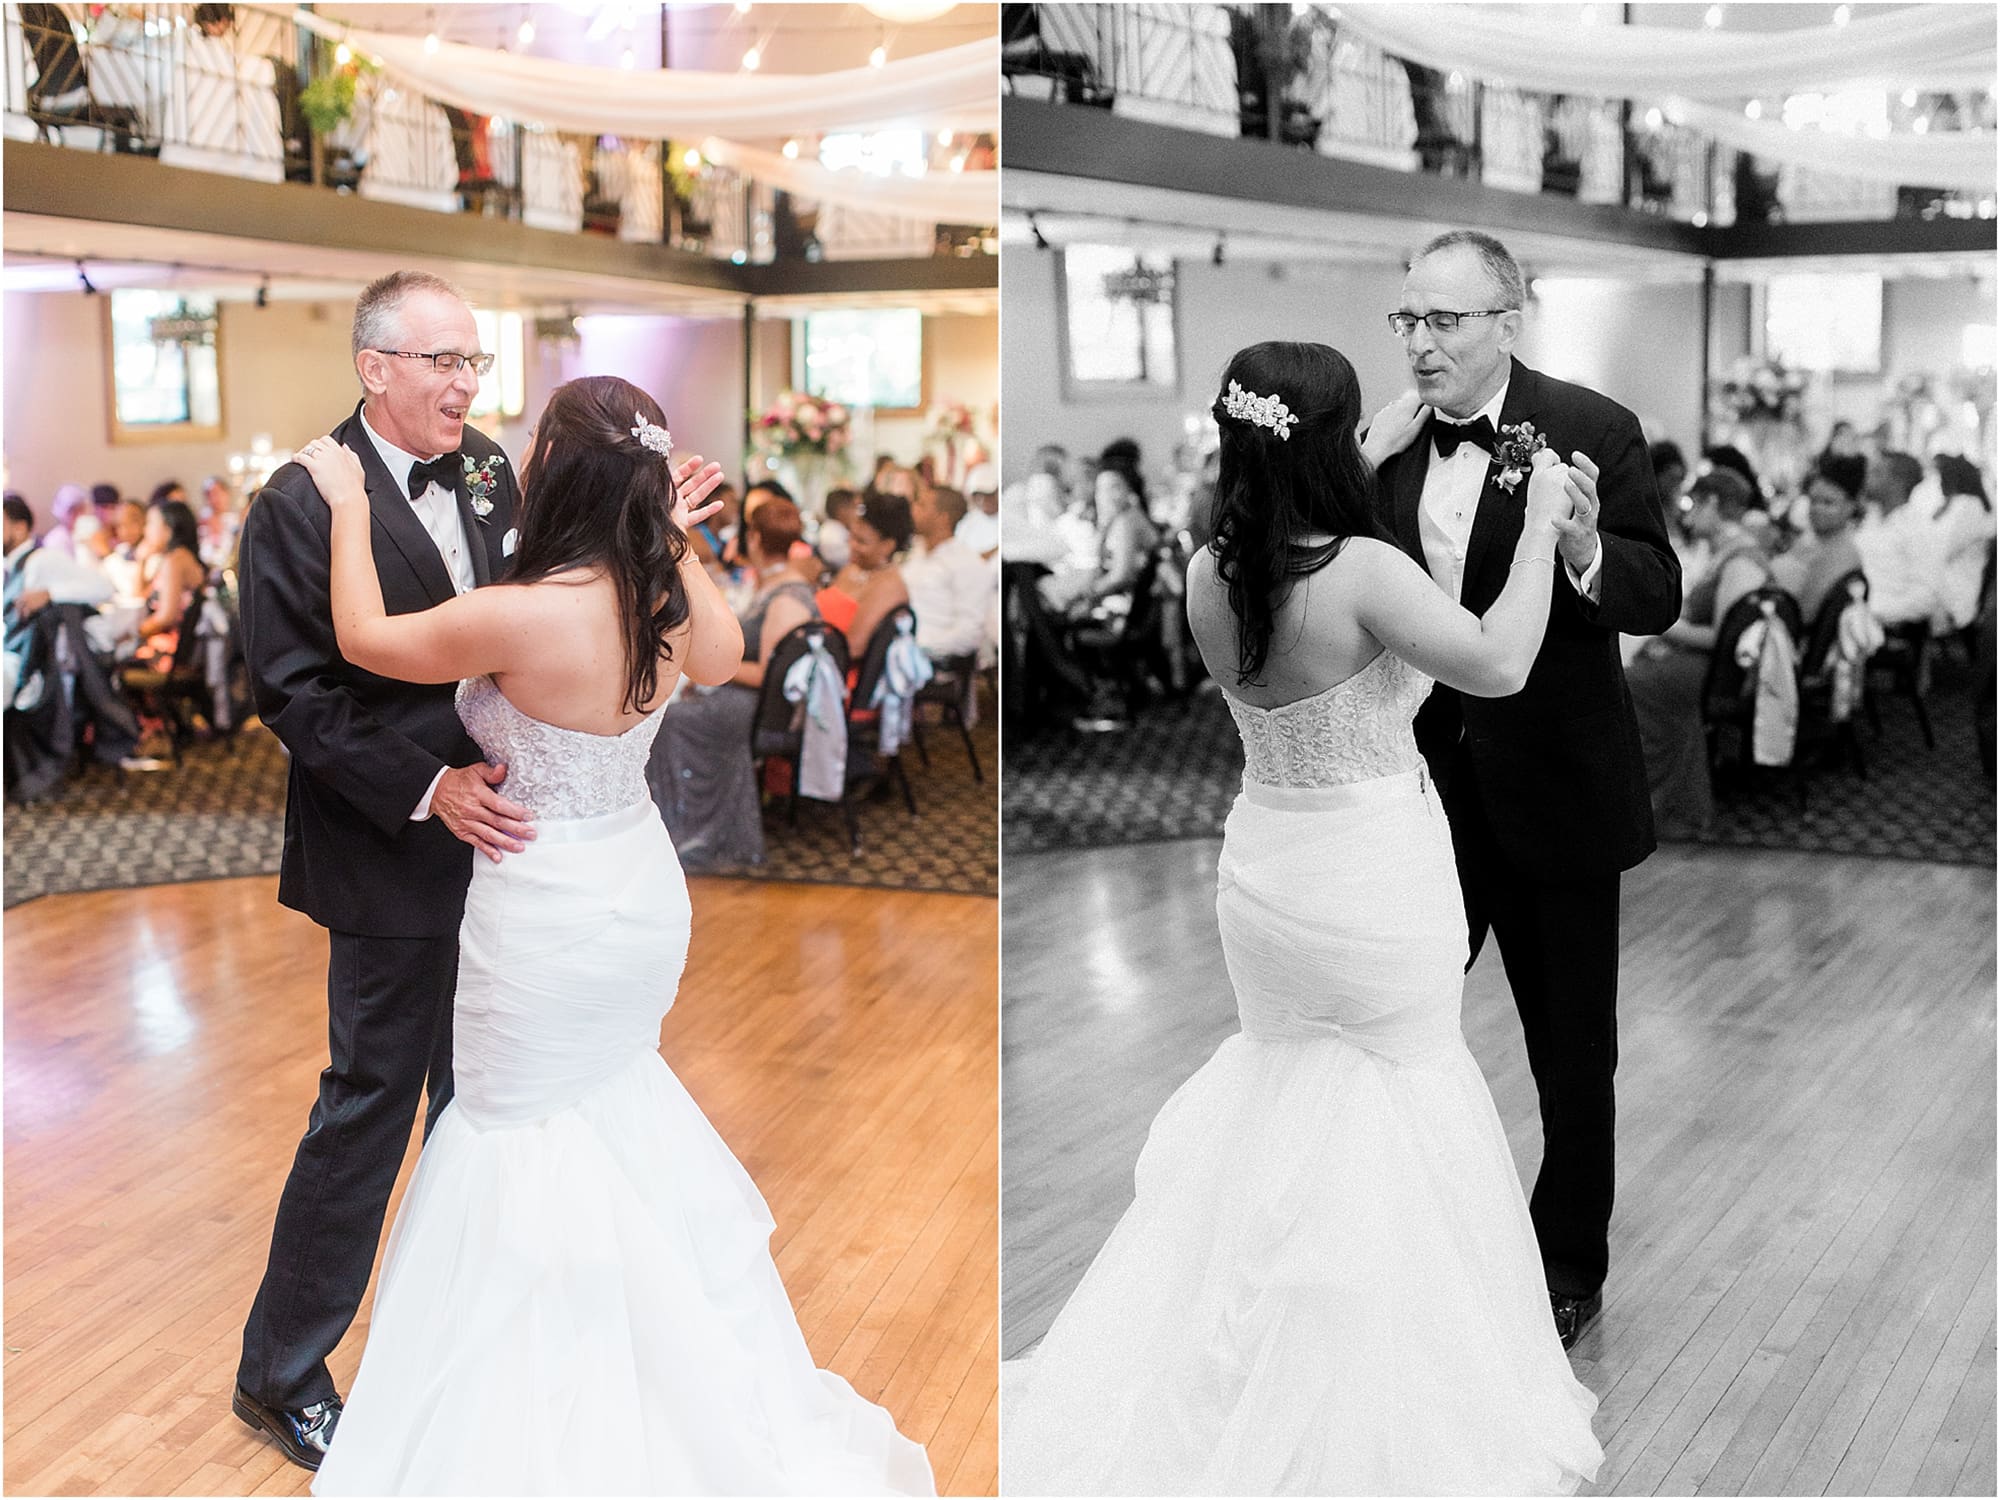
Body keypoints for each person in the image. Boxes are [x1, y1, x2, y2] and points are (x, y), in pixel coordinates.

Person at [293, 375, 933, 1495]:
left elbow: (360, 637)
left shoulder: (525, 611)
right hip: (636, 889)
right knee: (608, 1108)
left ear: (556, 471)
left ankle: (547, 1413)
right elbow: (728, 659)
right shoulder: (665, 601)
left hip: (540, 900)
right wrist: (671, 536)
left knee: (514, 1126)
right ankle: (648, 1369)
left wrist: (348, 502)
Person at [1003, 341, 1603, 1494]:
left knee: (1281, 1084)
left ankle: (1243, 1352)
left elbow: (1315, 482)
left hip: (1267, 869)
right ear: (1331, 443)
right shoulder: (1365, 569)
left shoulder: (1202, 570)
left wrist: (1369, 426)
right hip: (1373, 868)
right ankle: (1382, 1387)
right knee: (1403, 1090)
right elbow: (1499, 661)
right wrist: (1532, 535)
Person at [231, 270, 530, 1473]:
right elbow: (293, 695)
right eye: (443, 362)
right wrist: (429, 786)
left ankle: (454, 1344)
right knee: (368, 1110)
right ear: (375, 368)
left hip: (511, 843)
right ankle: (281, 1371)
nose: (465, 385)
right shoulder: (300, 501)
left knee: (483, 1105)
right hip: (389, 848)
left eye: (475, 363)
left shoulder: (492, 468)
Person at [1371, 230, 1680, 1350]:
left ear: (1507, 321)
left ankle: (1565, 1265)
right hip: (1416, 796)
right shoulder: (1388, 445)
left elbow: (1654, 593)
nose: (1418, 343)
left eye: (1442, 321)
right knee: (1392, 1022)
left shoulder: (1592, 428)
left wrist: (1592, 545)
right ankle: (1395, 1236)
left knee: (1569, 1056)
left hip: (1556, 788)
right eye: (1406, 318)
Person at [647, 493, 821, 870]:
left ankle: (695, 831)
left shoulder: (788, 596)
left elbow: (768, 675)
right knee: (668, 711)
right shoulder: (771, 584)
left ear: (754, 539)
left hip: (763, 707)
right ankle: (675, 824)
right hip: (741, 694)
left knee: (673, 720)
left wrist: (707, 669)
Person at [1625, 468, 1771, 836]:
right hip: (1697, 660)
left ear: (1713, 504)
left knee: (1629, 683)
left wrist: (1664, 625)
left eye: (1693, 504)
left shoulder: (1741, 558)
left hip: (1715, 669)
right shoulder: (1725, 551)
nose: (1687, 515)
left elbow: (1725, 637)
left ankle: (1667, 807)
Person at [1771, 454, 1866, 623]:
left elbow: (1806, 615)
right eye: (1813, 501)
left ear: (1850, 506)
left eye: (1828, 503)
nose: (1817, 509)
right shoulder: (1811, 539)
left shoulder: (1842, 553)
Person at [902, 485, 990, 659]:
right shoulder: (914, 553)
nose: (913, 510)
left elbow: (969, 633)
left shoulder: (967, 563)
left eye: (922, 505)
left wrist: (919, 647)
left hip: (927, 656)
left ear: (942, 518)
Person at [821, 489, 913, 652]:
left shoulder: (889, 587)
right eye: (851, 537)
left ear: (888, 546)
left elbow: (854, 647)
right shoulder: (852, 568)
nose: (852, 545)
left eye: (861, 542)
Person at [1922, 453, 1996, 633]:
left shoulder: (1969, 506)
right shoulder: (1953, 505)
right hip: (1946, 586)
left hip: (1956, 593)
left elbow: (1943, 550)